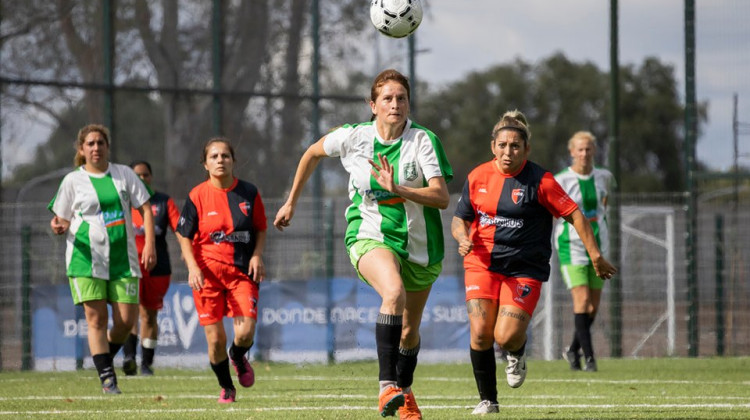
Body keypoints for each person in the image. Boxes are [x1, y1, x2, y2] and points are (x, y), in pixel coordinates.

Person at [274, 68, 452, 420]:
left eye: (402, 98)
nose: (395, 104)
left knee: (409, 332)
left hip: (420, 245)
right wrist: (291, 200)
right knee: (393, 292)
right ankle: (387, 386)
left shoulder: (423, 141)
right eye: (387, 98)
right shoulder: (353, 137)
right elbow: (311, 153)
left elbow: (441, 197)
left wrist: (398, 188)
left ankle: (404, 390)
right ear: (373, 105)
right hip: (368, 234)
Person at [451, 110, 617, 415]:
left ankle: (516, 350)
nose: (507, 152)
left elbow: (575, 214)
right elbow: (460, 219)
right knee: (480, 333)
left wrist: (595, 254)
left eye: (515, 146)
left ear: (526, 149)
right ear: (493, 146)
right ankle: (488, 400)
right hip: (481, 263)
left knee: (505, 336)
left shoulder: (541, 181)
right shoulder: (477, 177)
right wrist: (462, 236)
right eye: (502, 145)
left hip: (524, 268)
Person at [48, 124, 156, 394]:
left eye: (100, 143)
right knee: (95, 320)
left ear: (107, 146)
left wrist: (150, 244)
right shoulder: (73, 181)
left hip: (124, 260)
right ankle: (108, 378)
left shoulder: (124, 174)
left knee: (125, 322)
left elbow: (145, 207)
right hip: (86, 260)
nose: (96, 148)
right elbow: (60, 219)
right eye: (90, 144)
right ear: (82, 149)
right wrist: (58, 226)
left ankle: (103, 357)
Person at [175, 137, 267, 404]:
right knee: (215, 340)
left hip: (241, 274)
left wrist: (258, 255)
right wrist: (192, 267)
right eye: (214, 157)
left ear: (233, 161)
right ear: (205, 164)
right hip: (207, 276)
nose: (220, 160)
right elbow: (183, 234)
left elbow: (261, 227)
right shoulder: (196, 196)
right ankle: (227, 387)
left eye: (225, 156)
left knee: (245, 333)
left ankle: (237, 356)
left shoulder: (249, 193)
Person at [554, 131, 615, 372]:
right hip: (572, 247)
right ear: (571, 152)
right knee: (582, 300)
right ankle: (589, 359)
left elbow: (605, 206)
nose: (584, 154)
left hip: (600, 246)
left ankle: (571, 350)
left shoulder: (605, 177)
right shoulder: (561, 180)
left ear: (595, 151)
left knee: (593, 307)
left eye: (588, 149)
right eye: (580, 149)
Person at [121, 161, 181, 376]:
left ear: (151, 177)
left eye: (146, 174)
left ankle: (146, 363)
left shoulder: (163, 202)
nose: (142, 179)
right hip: (127, 265)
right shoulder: (123, 202)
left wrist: (187, 250)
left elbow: (179, 229)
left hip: (157, 266)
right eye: (137, 175)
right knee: (129, 312)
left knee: (149, 315)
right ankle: (129, 359)